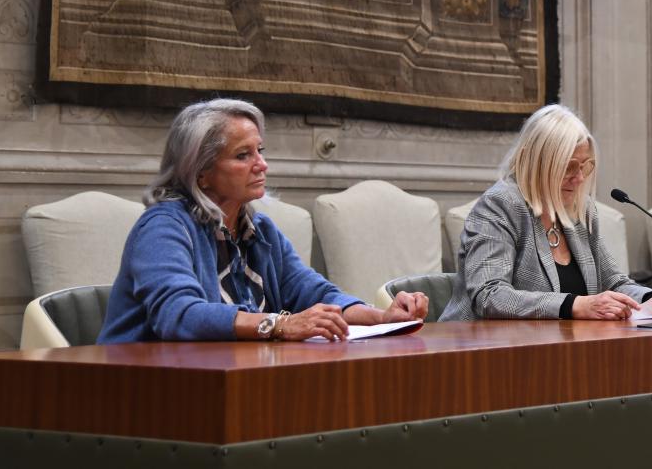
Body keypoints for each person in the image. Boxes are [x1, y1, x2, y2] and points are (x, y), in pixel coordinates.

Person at [98, 98, 427, 343]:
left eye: (260, 151)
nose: (262, 165)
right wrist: (281, 324)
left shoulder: (260, 231)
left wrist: (381, 317)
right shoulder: (163, 227)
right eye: (243, 155)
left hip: (229, 379)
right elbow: (179, 316)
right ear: (201, 173)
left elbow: (313, 292)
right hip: (142, 392)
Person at [441, 104, 652, 321]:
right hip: (482, 348)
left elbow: (614, 282)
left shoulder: (581, 209)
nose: (579, 178)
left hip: (559, 346)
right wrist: (574, 304)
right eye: (569, 167)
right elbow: (489, 295)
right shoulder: (499, 205)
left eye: (584, 166)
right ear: (534, 162)